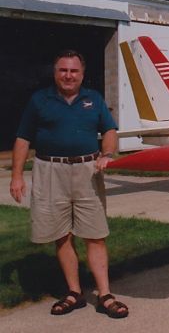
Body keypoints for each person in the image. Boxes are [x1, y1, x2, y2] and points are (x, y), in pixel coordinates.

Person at [9, 50, 129, 319]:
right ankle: (74, 293)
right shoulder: (39, 100)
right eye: (63, 70)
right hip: (49, 170)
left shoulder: (94, 99)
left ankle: (105, 294)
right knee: (61, 234)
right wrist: (17, 176)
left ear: (82, 74)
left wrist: (107, 153)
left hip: (87, 171)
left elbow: (110, 131)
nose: (68, 75)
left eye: (74, 71)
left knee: (95, 234)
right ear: (55, 73)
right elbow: (23, 139)